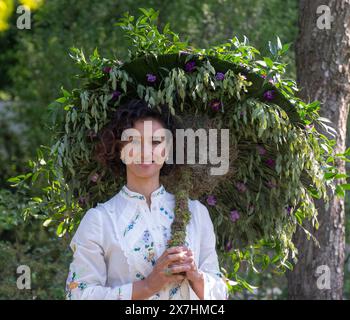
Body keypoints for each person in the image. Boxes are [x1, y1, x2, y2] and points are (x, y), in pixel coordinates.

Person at [65, 99, 228, 300]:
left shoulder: (197, 214)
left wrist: (196, 275)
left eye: (156, 142)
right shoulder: (99, 221)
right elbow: (78, 295)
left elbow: (220, 295)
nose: (146, 151)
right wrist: (148, 285)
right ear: (120, 149)